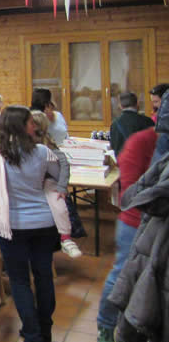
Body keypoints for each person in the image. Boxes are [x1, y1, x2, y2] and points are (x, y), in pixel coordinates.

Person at [0, 105, 60, 342]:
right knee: (44, 275)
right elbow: (57, 177)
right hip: (43, 222)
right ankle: (45, 328)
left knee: (19, 280)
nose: (34, 125)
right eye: (30, 122)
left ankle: (32, 333)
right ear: (22, 126)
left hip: (11, 224)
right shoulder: (42, 151)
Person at [96, 125, 158, 342]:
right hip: (135, 222)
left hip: (155, 223)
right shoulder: (142, 141)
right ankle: (106, 326)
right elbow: (130, 192)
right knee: (122, 276)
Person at [31, 111, 81, 258]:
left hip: (48, 181)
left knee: (58, 204)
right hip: (31, 182)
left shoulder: (48, 144)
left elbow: (64, 164)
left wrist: (62, 187)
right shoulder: (22, 143)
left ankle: (66, 239)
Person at [109, 91, 154, 157]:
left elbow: (113, 146)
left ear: (120, 106)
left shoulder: (114, 124)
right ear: (137, 103)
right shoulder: (148, 121)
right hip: (144, 160)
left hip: (123, 161)